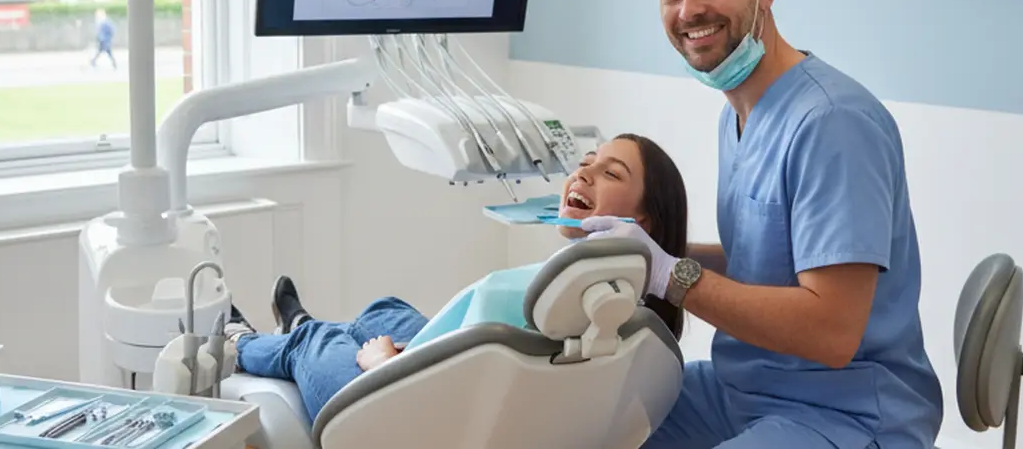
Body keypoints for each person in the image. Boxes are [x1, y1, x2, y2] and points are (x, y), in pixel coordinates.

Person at [578, 0, 944, 448]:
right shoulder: (739, 112)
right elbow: (768, 263)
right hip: (742, 389)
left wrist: (669, 276)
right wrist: (640, 247)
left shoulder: (831, 123)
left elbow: (831, 330)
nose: (689, 10)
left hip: (844, 413)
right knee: (573, 418)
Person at [222, 133, 691, 423]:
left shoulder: (578, 302)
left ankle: (239, 340)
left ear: (645, 221)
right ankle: (296, 326)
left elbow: (466, 405)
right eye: (586, 161)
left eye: (609, 172)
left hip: (407, 416)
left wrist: (385, 365)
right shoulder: (619, 304)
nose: (583, 173)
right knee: (386, 310)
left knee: (318, 342)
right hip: (461, 379)